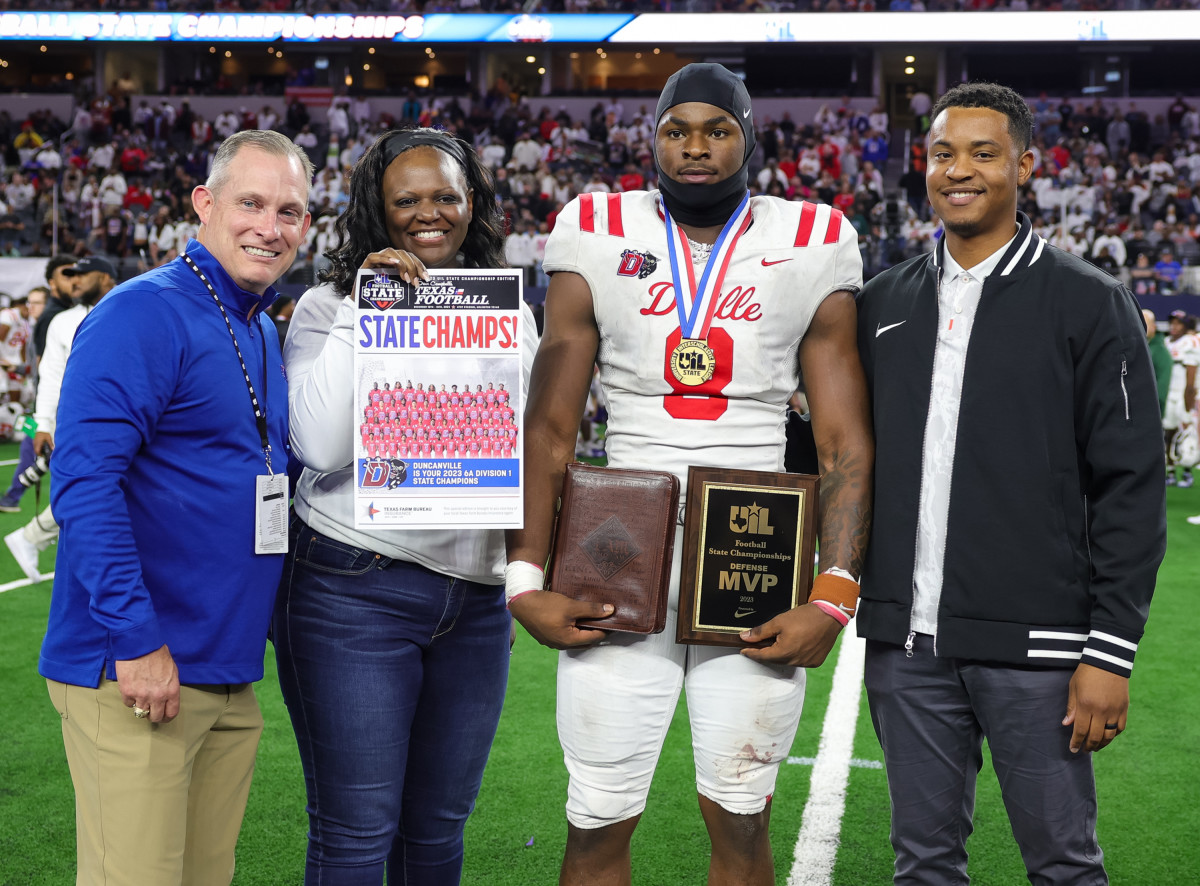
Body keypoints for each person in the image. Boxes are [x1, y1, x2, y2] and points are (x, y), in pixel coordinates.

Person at [504, 63, 872, 886]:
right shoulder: (595, 225)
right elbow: (552, 424)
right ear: (651, 139)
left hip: (755, 553)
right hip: (618, 553)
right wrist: (524, 576)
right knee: (596, 814)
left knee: (741, 813)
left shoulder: (810, 236)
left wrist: (834, 589)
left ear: (749, 137)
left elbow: (844, 439)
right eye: (676, 130)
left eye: (716, 130)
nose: (695, 147)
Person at [856, 82, 1167, 886]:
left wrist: (1111, 653)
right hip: (908, 648)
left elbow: (1131, 486)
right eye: (942, 154)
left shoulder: (1090, 302)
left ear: (1025, 166)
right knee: (922, 866)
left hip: (1043, 653)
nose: (958, 170)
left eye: (983, 153)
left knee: (1063, 866)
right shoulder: (884, 301)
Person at [38, 129, 313, 885]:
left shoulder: (255, 323)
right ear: (205, 204)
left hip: (224, 670)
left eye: (289, 210)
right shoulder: (143, 313)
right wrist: (135, 640)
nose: (270, 225)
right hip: (136, 670)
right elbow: (85, 483)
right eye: (251, 202)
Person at [275, 127, 539, 884]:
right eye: (408, 199)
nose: (429, 213)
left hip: (476, 603)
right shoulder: (331, 304)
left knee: (435, 837)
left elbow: (520, 451)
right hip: (354, 587)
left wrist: (508, 576)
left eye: (446, 196)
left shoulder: (508, 309)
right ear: (377, 209)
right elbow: (320, 447)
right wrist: (372, 307)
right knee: (357, 836)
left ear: (472, 203)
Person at [4, 257, 118, 583]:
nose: (75, 281)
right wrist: (42, 423)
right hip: (80, 421)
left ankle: (34, 537)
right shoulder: (63, 321)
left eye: (83, 275)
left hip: (120, 418)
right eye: (72, 276)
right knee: (97, 487)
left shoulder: (130, 309)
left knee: (105, 488)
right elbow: (50, 375)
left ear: (106, 277)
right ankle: (33, 537)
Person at [1164, 310, 1199, 487]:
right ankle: (1170, 471)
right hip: (1169, 392)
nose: (1174, 326)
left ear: (1185, 325)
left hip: (1184, 393)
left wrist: (1189, 400)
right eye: (1172, 323)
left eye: (1178, 323)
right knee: (1168, 432)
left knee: (1186, 433)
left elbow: (1191, 374)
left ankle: (1187, 471)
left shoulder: (1191, 341)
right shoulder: (1166, 342)